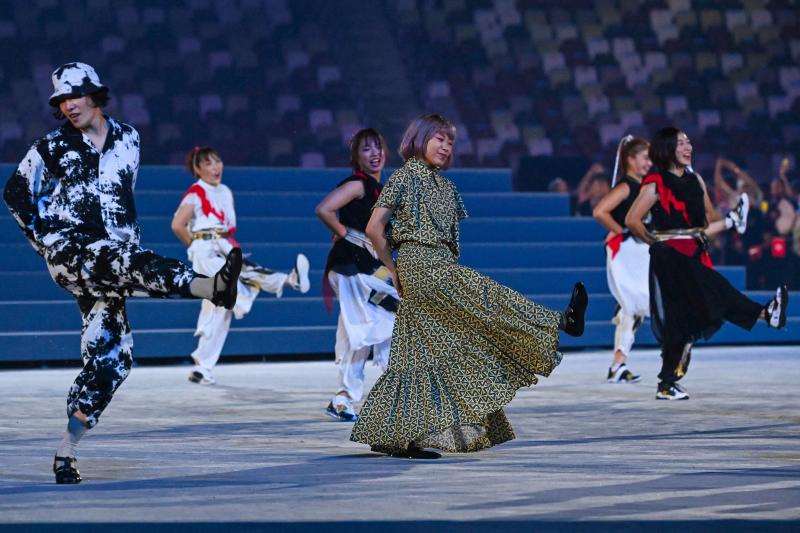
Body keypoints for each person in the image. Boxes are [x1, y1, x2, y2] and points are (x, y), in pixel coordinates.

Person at [3, 62, 242, 484]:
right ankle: (209, 287)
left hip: (115, 253)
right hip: (74, 252)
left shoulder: (130, 139)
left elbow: (121, 196)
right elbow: (16, 194)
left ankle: (67, 449)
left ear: (95, 95)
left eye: (74, 96)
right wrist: (47, 241)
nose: (68, 106)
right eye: (61, 100)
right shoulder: (50, 147)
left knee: (113, 358)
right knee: (126, 263)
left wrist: (122, 238)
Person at [350, 113, 588, 458]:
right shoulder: (404, 176)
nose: (446, 147)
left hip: (439, 264)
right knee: (484, 295)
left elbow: (450, 240)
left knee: (417, 355)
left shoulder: (447, 187)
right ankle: (558, 321)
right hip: (420, 263)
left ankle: (393, 434)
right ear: (418, 140)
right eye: (439, 139)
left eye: (451, 142)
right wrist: (395, 269)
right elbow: (374, 228)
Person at [625, 127, 787, 401]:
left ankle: (667, 384)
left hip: (694, 251)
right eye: (680, 143)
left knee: (684, 320)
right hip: (669, 255)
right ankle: (764, 314)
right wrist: (656, 243)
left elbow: (707, 221)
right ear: (667, 148)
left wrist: (723, 223)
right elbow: (632, 220)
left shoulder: (696, 180)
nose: (688, 146)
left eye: (689, 141)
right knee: (716, 290)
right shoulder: (656, 181)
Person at [172, 146, 310, 385]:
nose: (215, 167)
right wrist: (194, 247)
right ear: (197, 169)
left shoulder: (225, 191)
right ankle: (287, 280)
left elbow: (228, 225)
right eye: (208, 163)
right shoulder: (196, 192)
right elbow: (177, 225)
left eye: (218, 161)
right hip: (206, 248)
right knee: (229, 287)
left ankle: (203, 367)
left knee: (220, 306)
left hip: (224, 244)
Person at [315, 128, 398, 422]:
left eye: (378, 147)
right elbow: (325, 209)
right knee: (383, 320)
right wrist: (344, 234)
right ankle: (397, 396)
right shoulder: (359, 184)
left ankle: (344, 398)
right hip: (351, 267)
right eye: (366, 149)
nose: (374, 154)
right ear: (356, 157)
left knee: (363, 329)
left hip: (367, 266)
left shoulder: (381, 190)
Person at [592, 136, 652, 383]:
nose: (650, 163)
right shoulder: (626, 186)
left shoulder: (643, 186)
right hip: (627, 251)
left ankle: (618, 364)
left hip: (639, 251)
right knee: (635, 306)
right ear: (631, 159)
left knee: (634, 309)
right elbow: (599, 211)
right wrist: (621, 230)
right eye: (645, 158)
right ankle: (618, 364)